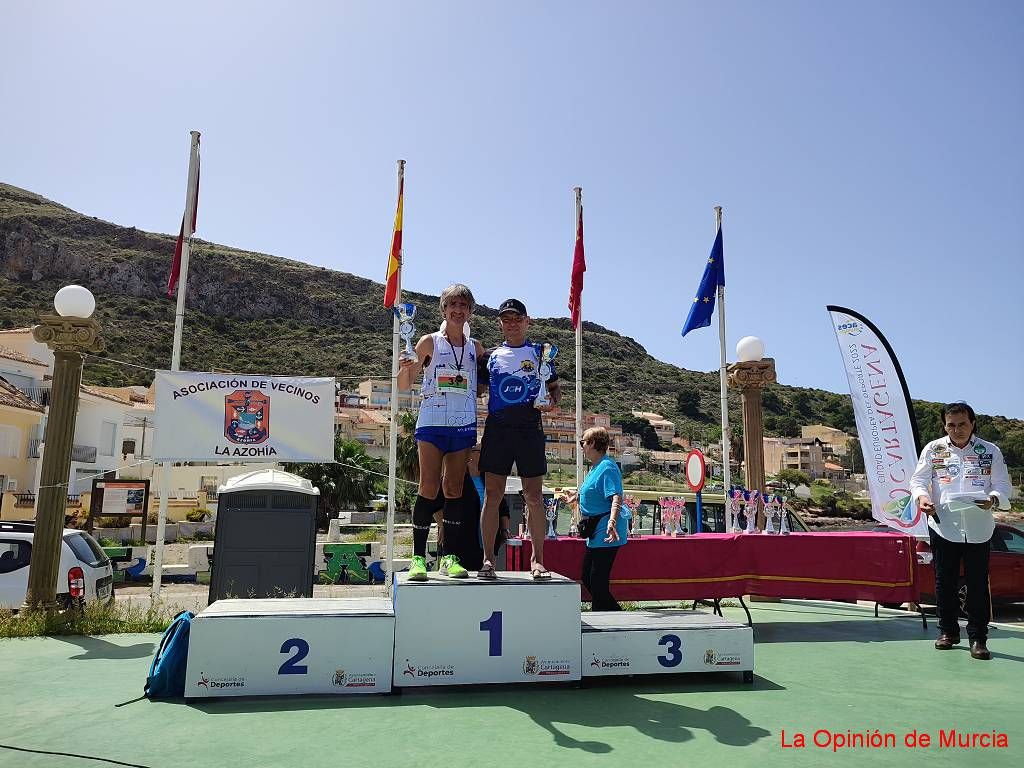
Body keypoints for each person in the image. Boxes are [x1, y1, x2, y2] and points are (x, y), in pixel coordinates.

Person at [397, 284, 486, 580]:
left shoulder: (476, 349)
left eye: (463, 305)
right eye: (453, 305)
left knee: (455, 491)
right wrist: (406, 366)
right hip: (432, 423)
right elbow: (403, 385)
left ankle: (450, 556)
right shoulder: (428, 342)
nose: (458, 310)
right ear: (444, 310)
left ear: (470, 311)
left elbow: (486, 385)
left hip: (462, 425)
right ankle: (418, 559)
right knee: (428, 487)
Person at [910, 401, 1012, 660]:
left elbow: (1002, 485)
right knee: (944, 582)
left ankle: (978, 637)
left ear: (973, 423)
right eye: (951, 425)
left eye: (962, 424)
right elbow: (918, 480)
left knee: (977, 583)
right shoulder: (934, 449)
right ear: (945, 425)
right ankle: (948, 631)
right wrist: (922, 497)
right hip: (943, 526)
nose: (957, 430)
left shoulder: (990, 451)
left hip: (979, 527)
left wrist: (994, 498)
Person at [478, 298, 560, 579]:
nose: (512, 324)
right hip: (497, 429)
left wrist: (551, 403)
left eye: (517, 318)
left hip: (529, 429)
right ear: (499, 323)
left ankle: (537, 560)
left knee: (534, 496)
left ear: (527, 321)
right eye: (506, 319)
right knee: (492, 495)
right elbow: (474, 389)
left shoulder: (541, 353)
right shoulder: (489, 355)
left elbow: (554, 390)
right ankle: (488, 560)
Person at [570, 427, 628, 611]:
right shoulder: (595, 467)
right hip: (595, 531)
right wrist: (575, 497)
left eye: (583, 442)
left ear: (593, 443)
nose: (581, 447)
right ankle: (616, 616)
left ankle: (607, 621)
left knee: (597, 581)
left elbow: (616, 497)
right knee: (588, 577)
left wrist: (611, 523)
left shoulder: (607, 467)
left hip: (605, 530)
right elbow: (592, 491)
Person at [437, 445, 512, 571]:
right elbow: (437, 503)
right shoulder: (456, 476)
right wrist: (443, 526)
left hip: (486, 540)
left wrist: (504, 529)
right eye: (478, 451)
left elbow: (502, 506)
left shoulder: (489, 478)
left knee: (485, 574)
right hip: (461, 538)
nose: (483, 455)